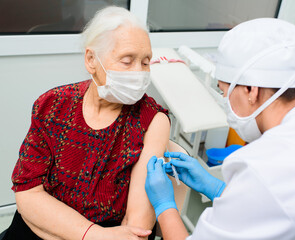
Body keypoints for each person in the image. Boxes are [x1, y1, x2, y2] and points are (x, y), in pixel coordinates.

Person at [145, 18, 295, 239]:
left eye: (224, 91)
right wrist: (219, 190)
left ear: (250, 90)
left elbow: (272, 190)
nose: (225, 101)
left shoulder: (266, 165)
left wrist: (164, 206)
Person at [3, 6, 170, 240]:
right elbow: (27, 193)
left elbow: (137, 227)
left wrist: (53, 225)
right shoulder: (52, 105)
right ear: (91, 59)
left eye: (145, 62)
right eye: (127, 60)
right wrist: (93, 234)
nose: (138, 73)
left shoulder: (152, 120)